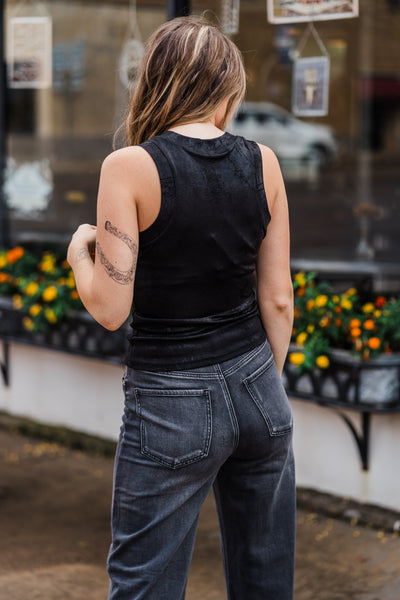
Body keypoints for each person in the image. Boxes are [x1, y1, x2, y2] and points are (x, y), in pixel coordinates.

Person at [68, 15, 295, 600]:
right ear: (225, 89)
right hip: (257, 384)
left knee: (145, 585)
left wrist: (78, 256)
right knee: (265, 579)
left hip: (171, 399)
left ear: (157, 82)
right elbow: (277, 298)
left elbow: (110, 308)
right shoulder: (264, 162)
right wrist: (265, 388)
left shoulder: (131, 167)